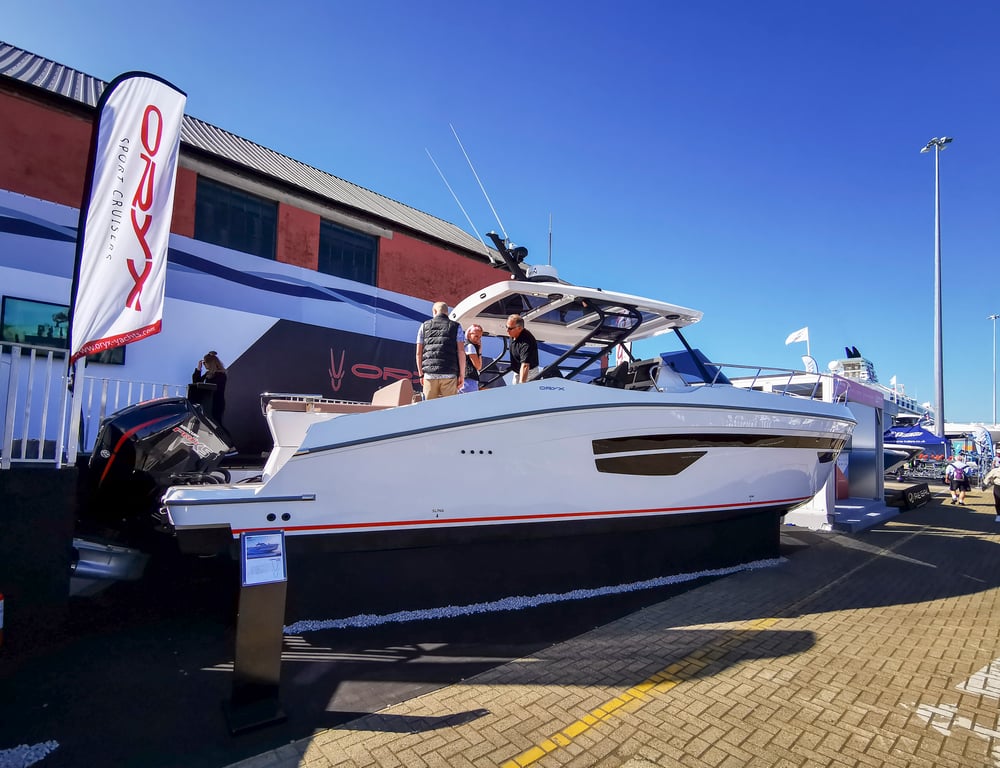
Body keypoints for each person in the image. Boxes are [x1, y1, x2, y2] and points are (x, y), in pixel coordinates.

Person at [415, 301, 465, 399]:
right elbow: (461, 352)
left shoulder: (424, 326)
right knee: (450, 409)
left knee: (429, 408)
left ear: (434, 311)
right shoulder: (456, 326)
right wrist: (462, 375)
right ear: (447, 312)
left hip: (429, 375)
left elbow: (418, 353)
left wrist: (421, 374)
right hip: (449, 374)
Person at [192, 350, 228, 424]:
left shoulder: (221, 374)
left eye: (205, 362)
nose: (204, 364)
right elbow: (196, 383)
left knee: (215, 424)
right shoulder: (208, 374)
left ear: (210, 363)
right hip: (208, 403)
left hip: (216, 403)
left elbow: (216, 388)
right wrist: (199, 369)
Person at [506, 314, 539, 384]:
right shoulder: (513, 335)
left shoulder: (527, 342)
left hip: (528, 373)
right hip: (517, 371)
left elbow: (525, 366)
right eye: (506, 327)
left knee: (523, 393)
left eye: (510, 328)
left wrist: (522, 384)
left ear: (519, 328)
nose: (507, 330)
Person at [461, 323, 483, 393]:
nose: (478, 339)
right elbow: (478, 366)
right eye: (476, 336)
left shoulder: (464, 345)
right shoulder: (470, 347)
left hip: (463, 378)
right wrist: (479, 352)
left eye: (480, 337)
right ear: (469, 334)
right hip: (469, 380)